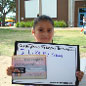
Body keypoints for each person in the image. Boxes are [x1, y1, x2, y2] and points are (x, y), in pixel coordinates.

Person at [7, 15, 84, 86]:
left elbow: (66, 76)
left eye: (49, 30)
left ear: (53, 32)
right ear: (33, 32)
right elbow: (20, 73)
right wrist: (12, 71)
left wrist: (76, 76)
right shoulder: (24, 52)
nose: (45, 34)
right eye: (41, 30)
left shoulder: (64, 54)